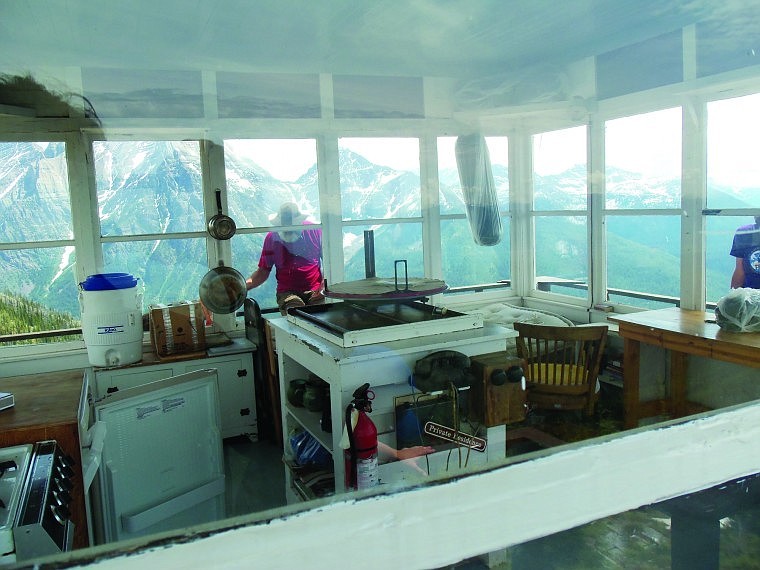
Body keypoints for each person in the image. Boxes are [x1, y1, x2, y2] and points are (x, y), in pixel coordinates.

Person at [246, 202, 325, 314]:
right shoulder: (271, 238)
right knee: (296, 314)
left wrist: (323, 288)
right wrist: (242, 287)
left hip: (315, 290)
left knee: (318, 320)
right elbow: (263, 272)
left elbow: (330, 263)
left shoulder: (315, 231)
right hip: (287, 293)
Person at [730, 216, 760, 289]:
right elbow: (740, 271)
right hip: (750, 296)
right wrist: (733, 298)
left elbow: (740, 270)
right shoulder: (745, 233)